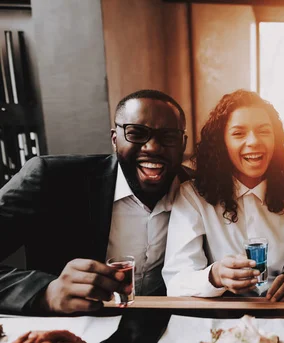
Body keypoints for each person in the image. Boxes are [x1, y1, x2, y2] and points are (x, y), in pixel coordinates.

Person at [0, 89, 188, 314]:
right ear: (114, 139)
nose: (153, 147)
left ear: (183, 143)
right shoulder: (50, 179)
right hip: (71, 334)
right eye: (136, 133)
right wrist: (46, 292)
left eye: (169, 136)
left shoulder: (202, 191)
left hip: (172, 332)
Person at [162, 89, 284, 302]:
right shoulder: (193, 196)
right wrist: (215, 276)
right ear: (222, 143)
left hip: (281, 315)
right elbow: (176, 280)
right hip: (217, 319)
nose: (254, 142)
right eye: (238, 133)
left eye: (264, 131)